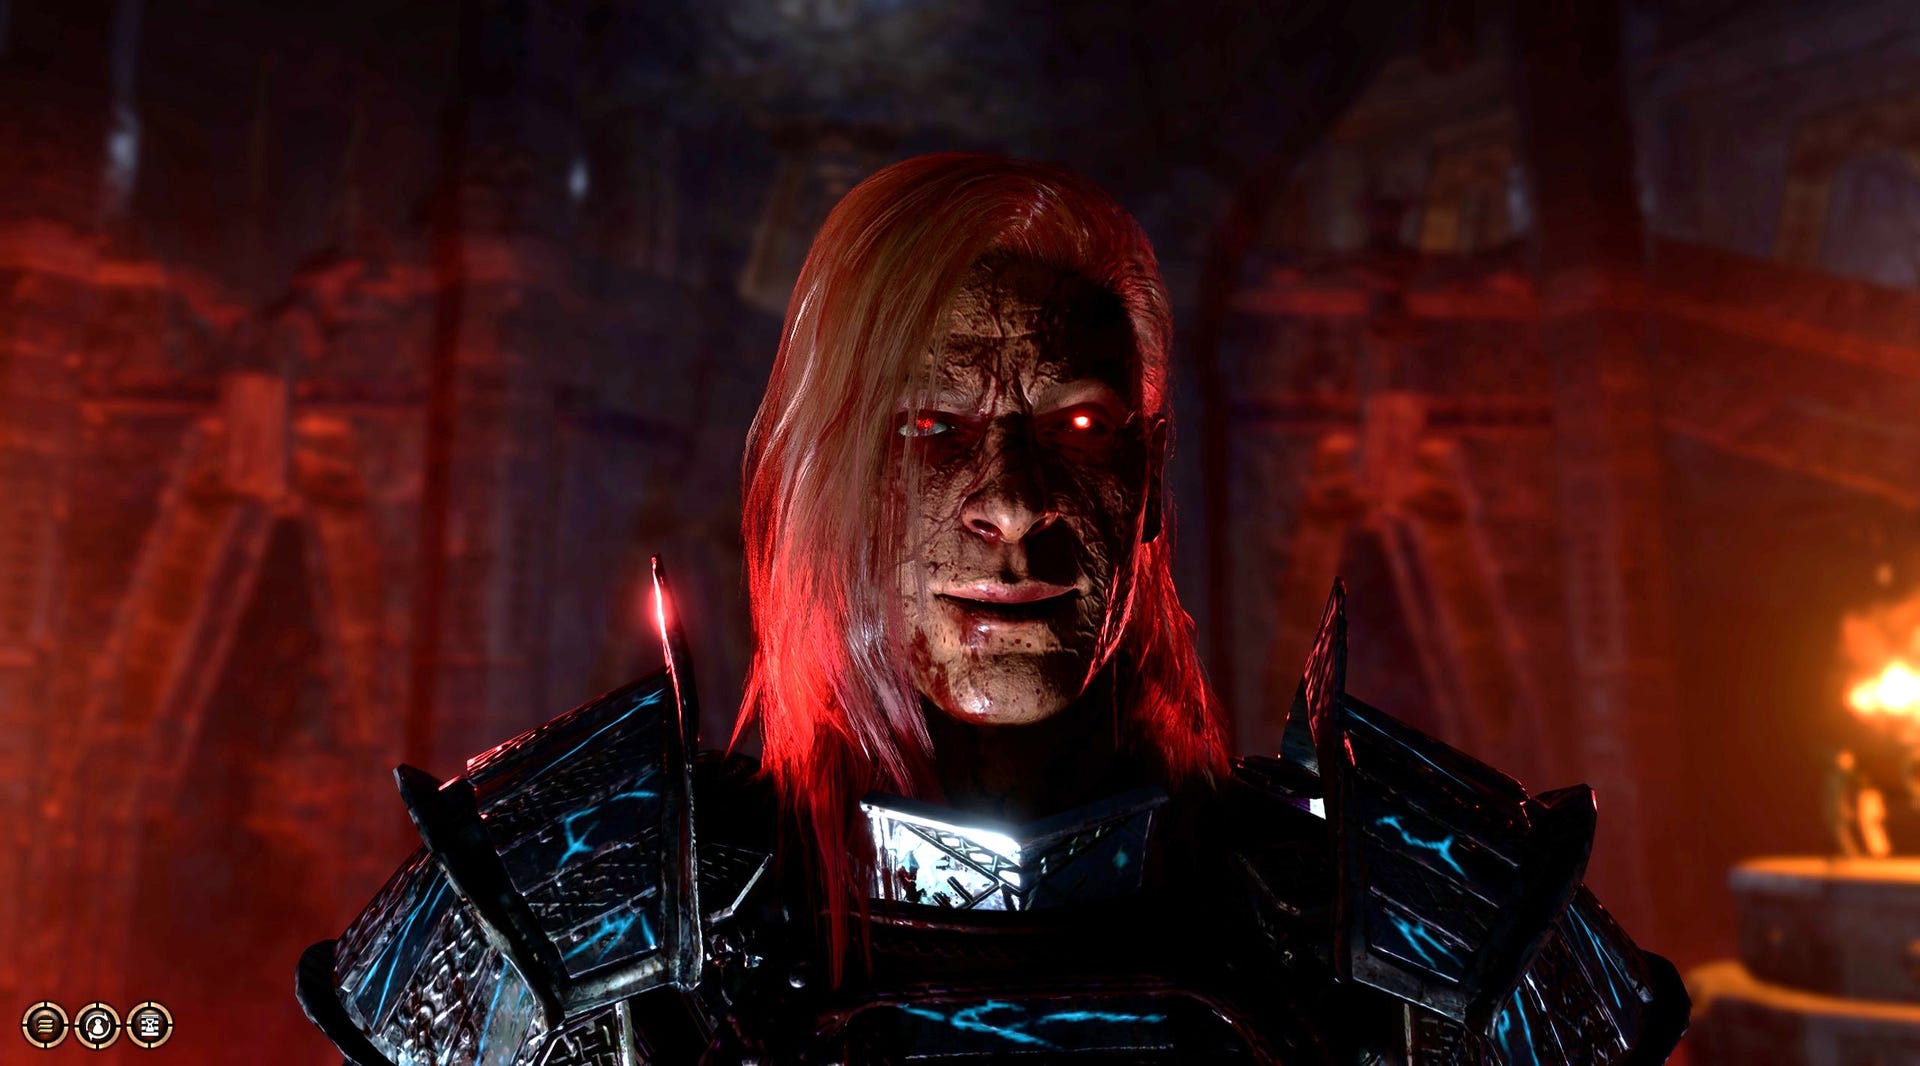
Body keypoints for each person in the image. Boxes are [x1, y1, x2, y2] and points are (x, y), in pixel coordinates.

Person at [297, 154, 1689, 1064]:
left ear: (1148, 476)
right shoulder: (570, 905)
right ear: (833, 479)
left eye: (1077, 423)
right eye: (929, 425)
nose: (1013, 501)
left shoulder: (1414, 909)